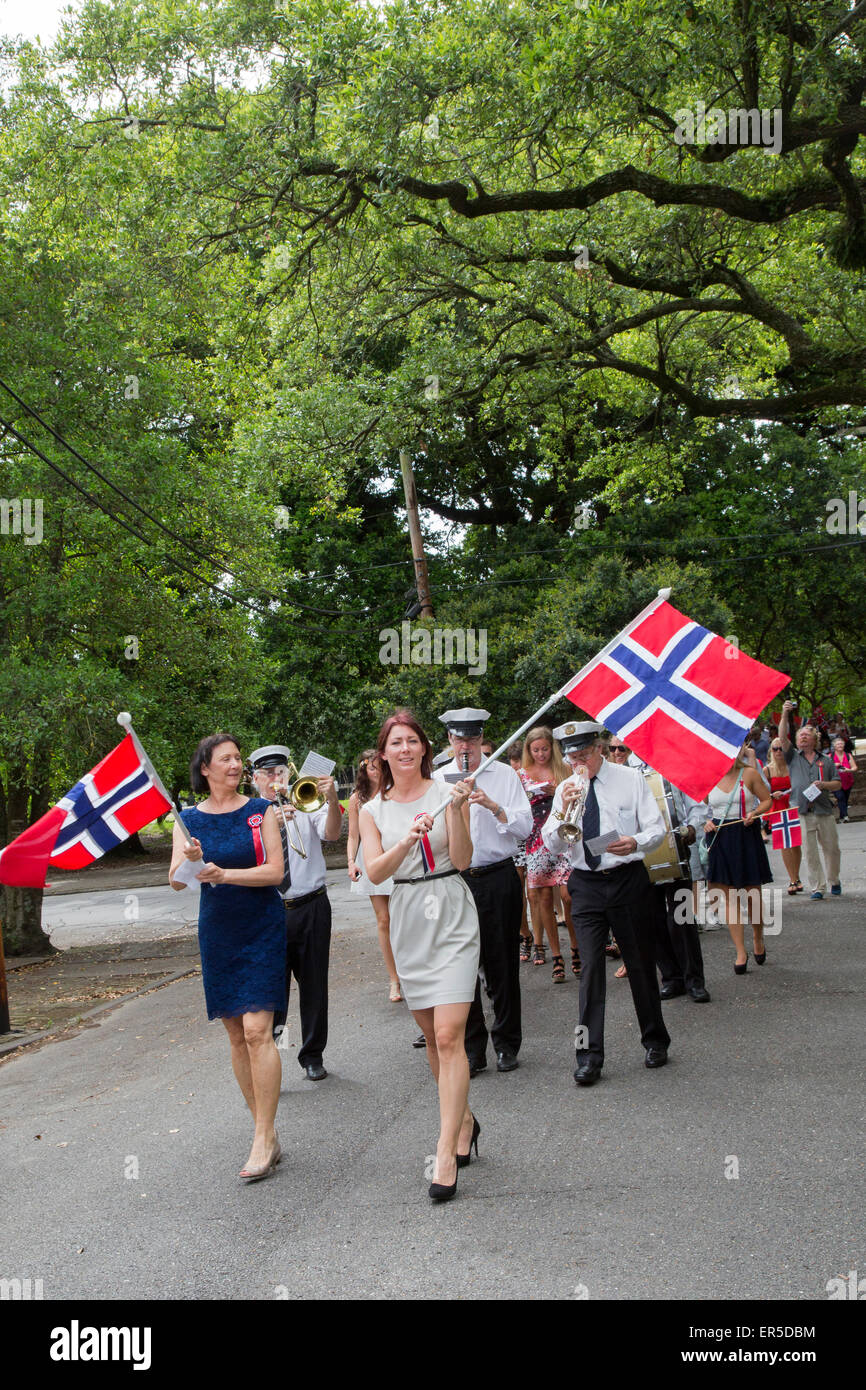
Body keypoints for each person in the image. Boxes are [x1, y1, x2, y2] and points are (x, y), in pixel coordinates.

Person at [359, 709, 479, 1203]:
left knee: (451, 1035)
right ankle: (465, 1118)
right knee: (432, 1038)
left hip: (450, 908)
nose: (405, 749)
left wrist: (455, 812)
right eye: (395, 743)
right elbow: (374, 873)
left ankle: (445, 1149)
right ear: (383, 754)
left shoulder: (448, 790)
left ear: (425, 748)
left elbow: (467, 858)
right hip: (409, 916)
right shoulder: (371, 811)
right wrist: (408, 837)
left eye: (412, 741)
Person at [169, 733, 285, 1181]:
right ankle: (264, 1131)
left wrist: (225, 874)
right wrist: (191, 859)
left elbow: (275, 872)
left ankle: (263, 1135)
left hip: (261, 927)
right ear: (206, 769)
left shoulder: (261, 811)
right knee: (236, 1035)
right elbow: (177, 883)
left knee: (258, 1031)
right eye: (226, 759)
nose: (236, 764)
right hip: (217, 932)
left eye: (238, 758)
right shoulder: (187, 820)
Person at [541, 721, 668, 1086]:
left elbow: (656, 827)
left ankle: (655, 1040)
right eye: (571, 756)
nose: (578, 763)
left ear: (599, 748)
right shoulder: (566, 787)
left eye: (583, 755)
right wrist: (563, 807)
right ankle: (587, 1055)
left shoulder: (630, 779)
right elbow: (553, 844)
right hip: (586, 885)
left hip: (627, 879)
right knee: (591, 971)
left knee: (641, 965)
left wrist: (636, 842)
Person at [434, 708, 533, 1076]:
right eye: (459, 740)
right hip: (455, 880)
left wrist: (493, 806)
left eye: (472, 740)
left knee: (502, 964)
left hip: (497, 875)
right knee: (461, 969)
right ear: (449, 741)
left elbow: (525, 827)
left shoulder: (504, 775)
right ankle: (472, 1049)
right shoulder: (437, 778)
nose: (466, 747)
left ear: (480, 740)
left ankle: (507, 1044)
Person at [249, 744, 344, 1081]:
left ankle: (312, 1055)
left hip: (311, 905)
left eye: (281, 773)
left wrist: (331, 800)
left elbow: (331, 834)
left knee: (314, 985)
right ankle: (272, 1055)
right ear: (255, 779)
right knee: (273, 991)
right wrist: (265, 826)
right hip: (269, 911)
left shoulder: (306, 802)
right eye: (269, 775)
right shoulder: (249, 815)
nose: (276, 780)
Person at [703, 753, 774, 972]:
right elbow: (702, 808)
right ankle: (740, 952)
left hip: (745, 834)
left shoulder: (749, 773)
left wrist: (754, 812)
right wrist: (706, 822)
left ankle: (758, 937)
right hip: (720, 837)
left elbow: (767, 800)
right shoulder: (707, 777)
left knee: (753, 894)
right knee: (729, 897)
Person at [518, 727, 577, 981]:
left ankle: (576, 949)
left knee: (568, 895)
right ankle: (557, 956)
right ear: (528, 751)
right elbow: (516, 807)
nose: (541, 754)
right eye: (535, 750)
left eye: (544, 748)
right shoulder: (520, 775)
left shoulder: (564, 769)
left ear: (551, 747)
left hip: (563, 836)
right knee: (541, 898)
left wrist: (557, 795)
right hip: (535, 839)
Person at [347, 750, 399, 1001]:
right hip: (369, 859)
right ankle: (394, 979)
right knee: (384, 920)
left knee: (404, 918)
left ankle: (411, 971)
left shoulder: (397, 789)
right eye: (372, 767)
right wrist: (350, 862)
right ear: (364, 770)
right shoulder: (358, 798)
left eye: (380, 766)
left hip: (395, 855)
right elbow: (353, 835)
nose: (376, 771)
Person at [779, 700, 842, 900]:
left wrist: (824, 785)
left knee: (832, 849)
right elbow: (782, 736)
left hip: (824, 809)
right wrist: (784, 714)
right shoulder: (792, 757)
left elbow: (838, 784)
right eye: (800, 735)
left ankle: (834, 880)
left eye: (807, 735)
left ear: (814, 740)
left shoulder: (826, 760)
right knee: (810, 851)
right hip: (802, 810)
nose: (803, 737)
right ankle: (817, 887)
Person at [507, 740, 533, 960]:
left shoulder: (530, 775)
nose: (516, 765)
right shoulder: (508, 777)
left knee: (534, 893)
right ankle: (525, 933)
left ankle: (539, 941)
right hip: (514, 839)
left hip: (534, 835)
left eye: (519, 761)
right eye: (513, 761)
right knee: (518, 889)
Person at [765, 739, 802, 893]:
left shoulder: (792, 766)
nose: (779, 752)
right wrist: (772, 795)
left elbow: (800, 783)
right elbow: (762, 791)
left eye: (781, 749)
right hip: (778, 808)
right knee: (784, 845)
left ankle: (797, 876)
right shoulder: (767, 770)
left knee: (796, 844)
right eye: (775, 749)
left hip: (793, 805)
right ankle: (792, 879)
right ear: (771, 751)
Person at [831, 736, 856, 823]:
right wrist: (834, 765)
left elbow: (855, 767)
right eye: (838, 744)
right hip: (835, 782)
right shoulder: (829, 756)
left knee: (844, 799)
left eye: (841, 743)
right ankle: (845, 816)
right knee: (840, 797)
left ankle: (842, 817)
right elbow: (823, 767)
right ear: (834, 746)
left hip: (847, 781)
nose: (840, 745)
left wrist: (848, 770)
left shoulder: (848, 755)